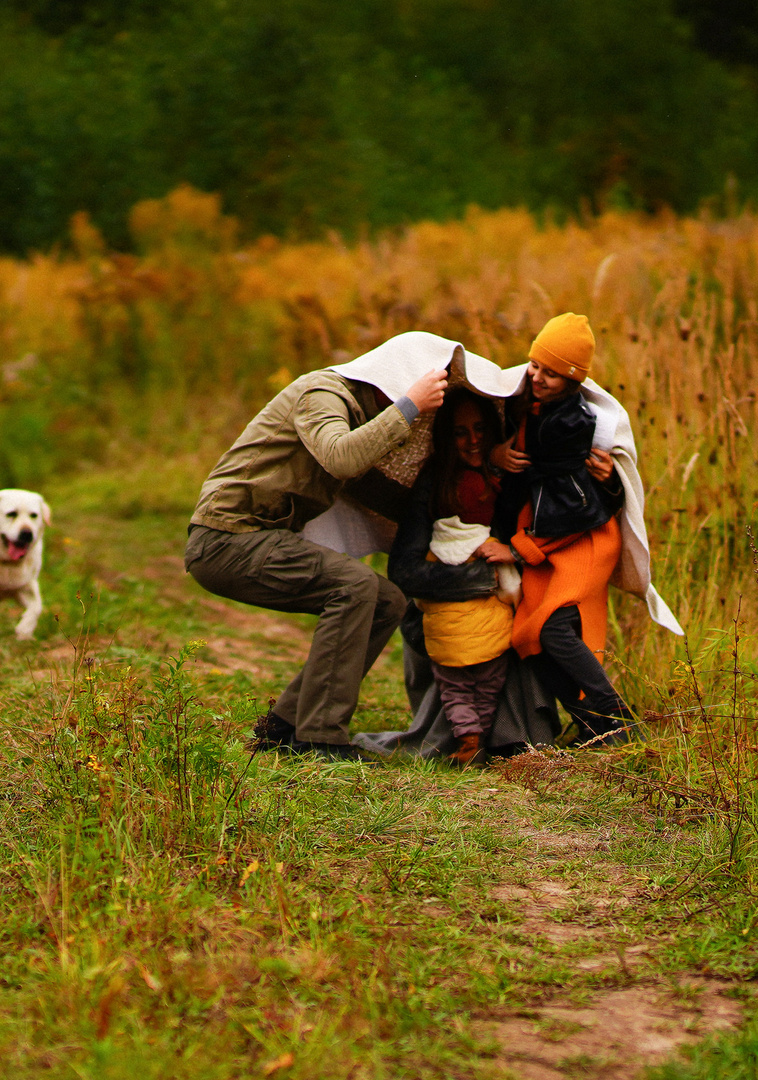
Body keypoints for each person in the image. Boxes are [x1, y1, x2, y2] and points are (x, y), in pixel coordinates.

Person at [184, 355, 450, 758]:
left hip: (255, 538)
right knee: (356, 585)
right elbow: (341, 456)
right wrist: (409, 405)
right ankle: (320, 737)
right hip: (228, 538)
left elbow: (373, 491)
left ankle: (285, 724)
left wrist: (457, 516)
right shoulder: (323, 394)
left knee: (385, 601)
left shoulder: (353, 414)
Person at [474, 313, 639, 748]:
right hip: (545, 539)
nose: (539, 377)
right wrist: (497, 457)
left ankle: (619, 722)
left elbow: (576, 507)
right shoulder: (521, 400)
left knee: (552, 629)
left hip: (581, 541)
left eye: (552, 373)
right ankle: (592, 725)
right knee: (528, 636)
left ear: (573, 380)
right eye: (535, 366)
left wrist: (517, 548)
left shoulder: (571, 423)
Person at [412, 395, 520, 766]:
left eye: (480, 430)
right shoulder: (488, 532)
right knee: (488, 689)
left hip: (445, 640)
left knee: (455, 691)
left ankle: (468, 739)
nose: (473, 440)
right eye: (461, 433)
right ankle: (483, 737)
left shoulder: (436, 539)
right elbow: (511, 589)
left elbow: (422, 597)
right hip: (490, 634)